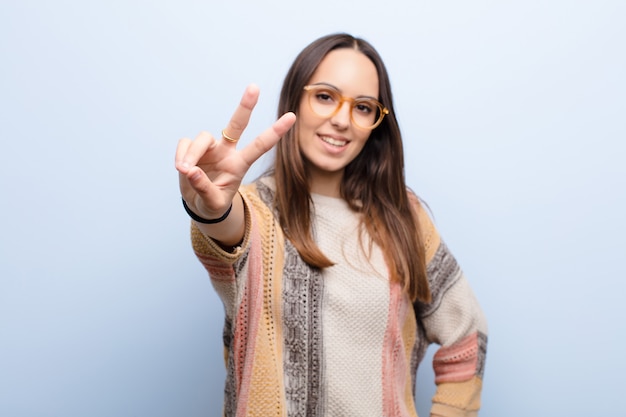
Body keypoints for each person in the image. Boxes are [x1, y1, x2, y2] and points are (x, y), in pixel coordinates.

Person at [175, 33, 487, 417]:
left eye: (362, 107)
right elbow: (226, 233)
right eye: (324, 96)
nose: (341, 120)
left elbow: (467, 337)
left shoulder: (403, 215)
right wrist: (212, 210)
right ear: (296, 100)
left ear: (376, 122)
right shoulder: (254, 212)